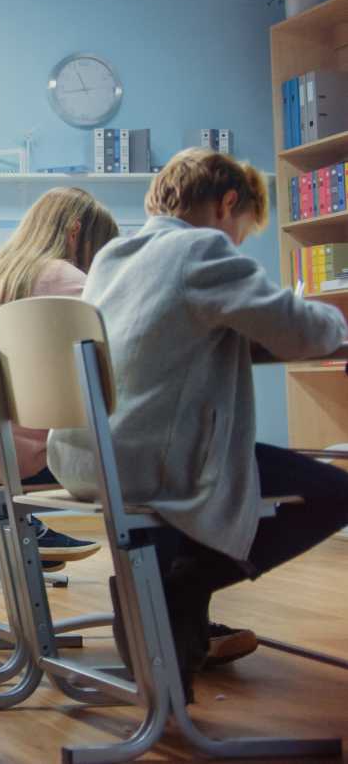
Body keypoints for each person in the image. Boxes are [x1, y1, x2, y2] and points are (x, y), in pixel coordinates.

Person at [48, 149, 347, 695]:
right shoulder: (200, 248)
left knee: (240, 475)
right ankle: (177, 588)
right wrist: (337, 321)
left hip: (90, 452)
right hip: (151, 456)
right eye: (242, 231)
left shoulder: (118, 253)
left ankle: (167, 612)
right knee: (335, 492)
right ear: (228, 203)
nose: (237, 244)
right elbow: (302, 331)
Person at [0, 187, 112, 570]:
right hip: (11, 454)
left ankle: (18, 533)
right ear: (75, 232)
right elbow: (116, 344)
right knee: (169, 461)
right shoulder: (62, 277)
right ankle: (165, 598)